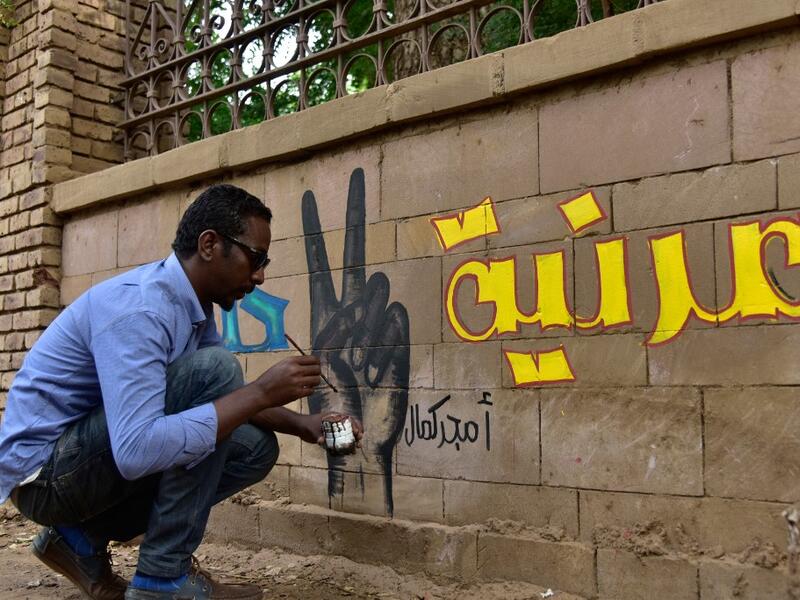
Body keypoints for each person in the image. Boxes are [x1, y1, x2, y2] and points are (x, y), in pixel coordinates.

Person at [0, 184, 362, 600]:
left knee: (253, 447)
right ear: (209, 244)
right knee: (218, 372)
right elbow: (137, 452)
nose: (260, 275)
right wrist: (261, 391)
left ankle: (78, 537)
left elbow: (223, 397)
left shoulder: (192, 308)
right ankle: (162, 577)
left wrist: (304, 425)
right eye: (255, 258)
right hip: (43, 477)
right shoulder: (142, 310)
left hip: (80, 466)